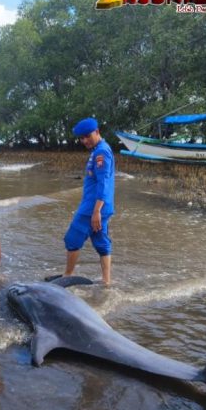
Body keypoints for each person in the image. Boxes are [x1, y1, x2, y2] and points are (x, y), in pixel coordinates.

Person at [63, 117, 115, 285]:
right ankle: (107, 282)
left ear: (97, 132)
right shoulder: (99, 149)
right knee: (101, 241)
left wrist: (96, 211)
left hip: (93, 207)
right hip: (101, 206)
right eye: (81, 138)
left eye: (87, 136)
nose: (84, 140)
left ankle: (67, 277)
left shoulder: (101, 152)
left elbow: (103, 183)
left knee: (72, 238)